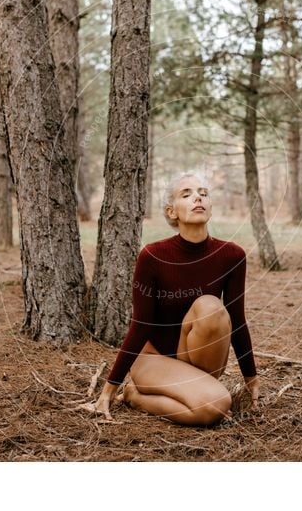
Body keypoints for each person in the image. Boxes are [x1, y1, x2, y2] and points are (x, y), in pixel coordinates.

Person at [81, 171, 260, 425]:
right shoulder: (153, 257)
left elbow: (237, 321)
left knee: (211, 307)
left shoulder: (232, 256)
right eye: (186, 194)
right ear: (171, 212)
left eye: (203, 194)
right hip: (154, 359)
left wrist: (251, 378)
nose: (197, 198)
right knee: (216, 408)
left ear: (210, 206)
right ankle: (134, 395)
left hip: (198, 358)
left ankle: (198, 391)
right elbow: (140, 325)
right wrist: (109, 388)